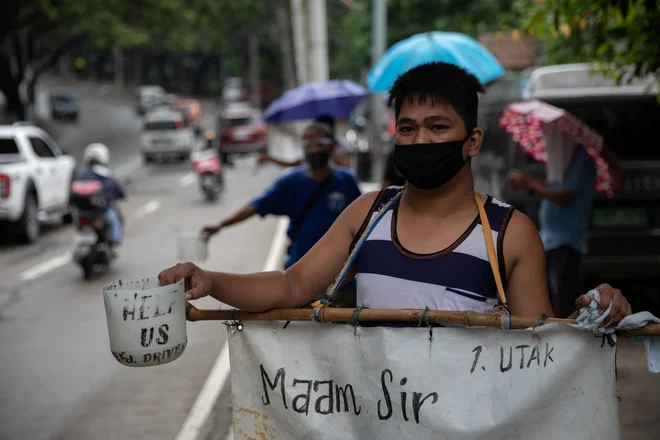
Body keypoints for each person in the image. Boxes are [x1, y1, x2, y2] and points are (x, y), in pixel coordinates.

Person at [160, 62, 631, 326]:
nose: (420, 140)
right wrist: (213, 280)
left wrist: (596, 311)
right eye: (408, 128)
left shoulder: (511, 233)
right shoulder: (369, 213)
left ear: (472, 141)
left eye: (437, 127)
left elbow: (541, 348)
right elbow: (290, 287)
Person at [202, 121, 362, 270]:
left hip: (342, 275)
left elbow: (363, 220)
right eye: (308, 144)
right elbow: (256, 206)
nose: (314, 149)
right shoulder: (291, 182)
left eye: (320, 144)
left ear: (332, 146)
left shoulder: (346, 181)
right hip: (301, 271)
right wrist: (221, 224)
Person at [506, 135, 622, 318]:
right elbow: (553, 186)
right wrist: (528, 183)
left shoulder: (581, 159)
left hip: (566, 241)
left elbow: (565, 195)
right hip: (551, 241)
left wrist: (529, 183)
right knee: (552, 294)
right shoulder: (563, 159)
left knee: (564, 297)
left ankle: (566, 338)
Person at [75, 143, 126, 244]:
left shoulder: (81, 174)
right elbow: (119, 190)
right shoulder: (105, 175)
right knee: (115, 218)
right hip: (101, 212)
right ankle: (114, 240)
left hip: (82, 212)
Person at [257, 115, 352, 169]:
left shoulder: (340, 147)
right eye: (309, 144)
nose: (314, 149)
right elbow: (294, 163)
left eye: (319, 142)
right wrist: (270, 159)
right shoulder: (302, 177)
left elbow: (347, 165)